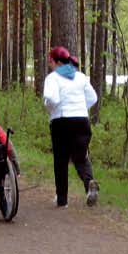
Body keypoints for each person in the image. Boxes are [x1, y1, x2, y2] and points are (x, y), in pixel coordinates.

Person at [42, 45, 99, 207]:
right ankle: (89, 184)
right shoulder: (80, 77)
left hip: (61, 121)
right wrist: (80, 108)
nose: (49, 65)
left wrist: (51, 108)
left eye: (50, 62)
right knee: (81, 157)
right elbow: (93, 98)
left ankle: (62, 200)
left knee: (60, 160)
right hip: (82, 120)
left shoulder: (52, 78)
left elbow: (51, 99)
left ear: (55, 62)